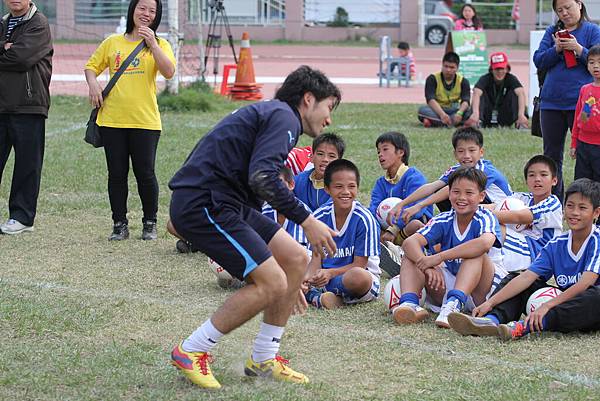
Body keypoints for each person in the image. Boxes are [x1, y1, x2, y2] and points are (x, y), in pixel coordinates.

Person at [168, 65, 341, 389]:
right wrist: (307, 220)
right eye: (329, 107)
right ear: (308, 99)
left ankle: (263, 357)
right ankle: (191, 350)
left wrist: (289, 289)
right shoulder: (285, 117)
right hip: (205, 202)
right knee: (271, 281)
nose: (329, 118)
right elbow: (262, 177)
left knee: (295, 260)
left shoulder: (275, 115)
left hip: (228, 203)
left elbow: (253, 175)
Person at [448, 179, 600, 341]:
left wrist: (547, 305)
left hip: (590, 308)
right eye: (570, 206)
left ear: (596, 213)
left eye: (582, 208)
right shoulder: (557, 244)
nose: (574, 212)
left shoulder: (597, 239)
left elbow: (585, 284)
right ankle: (491, 320)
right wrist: (490, 303)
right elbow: (527, 277)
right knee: (517, 278)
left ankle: (524, 327)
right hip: (567, 305)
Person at [84, 0, 176, 241]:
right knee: (116, 173)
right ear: (133, 10)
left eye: (152, 11)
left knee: (145, 173)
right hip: (112, 120)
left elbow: (169, 72)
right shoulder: (113, 42)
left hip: (145, 121)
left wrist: (153, 44)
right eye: (142, 8)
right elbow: (91, 67)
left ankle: (150, 222)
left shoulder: (161, 44)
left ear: (157, 16)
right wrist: (93, 83)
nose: (146, 14)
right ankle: (119, 223)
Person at [393, 167, 507, 328]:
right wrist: (426, 266)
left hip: (483, 290)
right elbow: (409, 242)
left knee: (476, 254)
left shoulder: (485, 216)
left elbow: (484, 243)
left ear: (481, 197)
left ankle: (454, 304)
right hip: (452, 281)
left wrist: (439, 257)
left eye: (469, 193)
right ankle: (410, 304)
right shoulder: (443, 219)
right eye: (456, 192)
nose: (461, 198)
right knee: (411, 256)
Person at [533, 0, 600, 202]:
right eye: (559, 10)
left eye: (568, 7)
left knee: (586, 154)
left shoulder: (592, 30)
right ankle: (554, 202)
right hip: (551, 102)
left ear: (579, 5)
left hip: (582, 103)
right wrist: (557, 49)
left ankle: (587, 202)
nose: (564, 13)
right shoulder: (552, 31)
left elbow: (597, 58)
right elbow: (539, 59)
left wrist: (578, 49)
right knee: (552, 156)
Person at [0, 0, 52, 235]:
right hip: (2, 104)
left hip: (29, 104)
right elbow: (12, 56)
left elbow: (21, 59)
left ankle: (22, 218)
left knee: (27, 165)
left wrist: (12, 50)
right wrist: (5, 46)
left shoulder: (38, 23)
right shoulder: (3, 23)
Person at [388, 127, 512, 224]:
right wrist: (402, 204)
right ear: (455, 154)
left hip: (503, 211)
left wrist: (419, 206)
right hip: (482, 207)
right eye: (461, 151)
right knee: (444, 191)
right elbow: (431, 187)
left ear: (481, 152)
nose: (466, 155)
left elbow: (450, 189)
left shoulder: (485, 170)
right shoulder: (457, 170)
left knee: (457, 193)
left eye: (472, 150)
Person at [304, 159, 381, 309]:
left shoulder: (364, 219)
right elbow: (315, 259)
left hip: (357, 279)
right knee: (297, 274)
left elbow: (360, 264)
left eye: (351, 186)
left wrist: (330, 273)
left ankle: (316, 297)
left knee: (358, 276)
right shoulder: (319, 218)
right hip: (326, 278)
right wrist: (308, 280)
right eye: (338, 186)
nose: (346, 192)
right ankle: (323, 297)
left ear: (357, 188)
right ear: (327, 189)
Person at [494, 155, 563, 272]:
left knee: (494, 229)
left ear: (554, 181)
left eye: (543, 175)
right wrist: (474, 209)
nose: (537, 179)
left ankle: (494, 269)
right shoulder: (523, 197)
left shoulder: (552, 203)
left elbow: (520, 217)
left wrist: (482, 215)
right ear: (526, 181)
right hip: (524, 244)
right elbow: (495, 206)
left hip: (540, 253)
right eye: (532, 175)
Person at [369, 132, 432, 245]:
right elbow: (374, 207)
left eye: (385, 149)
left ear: (400, 152)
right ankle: (390, 248)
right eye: (378, 151)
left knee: (415, 225)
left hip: (408, 226)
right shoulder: (380, 183)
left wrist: (394, 228)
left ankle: (400, 247)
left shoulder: (415, 177)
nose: (380, 154)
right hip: (385, 229)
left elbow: (415, 209)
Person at [465, 52, 529, 129]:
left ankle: (520, 123)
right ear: (491, 69)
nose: (500, 72)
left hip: (505, 114)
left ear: (507, 69)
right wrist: (475, 113)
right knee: (480, 94)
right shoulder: (485, 78)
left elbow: (521, 93)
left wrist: (521, 114)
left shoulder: (511, 78)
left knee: (516, 93)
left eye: (502, 68)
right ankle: (478, 122)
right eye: (497, 69)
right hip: (487, 114)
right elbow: (476, 92)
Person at [570, 44, 600, 183]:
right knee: (582, 183)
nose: (596, 66)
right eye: (592, 62)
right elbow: (579, 118)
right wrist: (574, 143)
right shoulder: (585, 89)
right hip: (583, 144)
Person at [293, 132, 345, 211]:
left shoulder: (343, 186)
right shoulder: (297, 182)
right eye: (320, 154)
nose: (325, 159)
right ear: (311, 157)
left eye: (331, 156)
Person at [418, 52, 471, 128]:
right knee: (422, 110)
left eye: (452, 67)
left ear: (457, 68)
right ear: (442, 65)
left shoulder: (463, 81)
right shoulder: (432, 78)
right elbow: (430, 100)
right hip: (437, 110)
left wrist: (460, 113)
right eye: (446, 66)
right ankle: (454, 123)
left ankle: (435, 122)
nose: (448, 70)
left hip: (455, 110)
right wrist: (442, 114)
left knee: (470, 111)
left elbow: (466, 101)